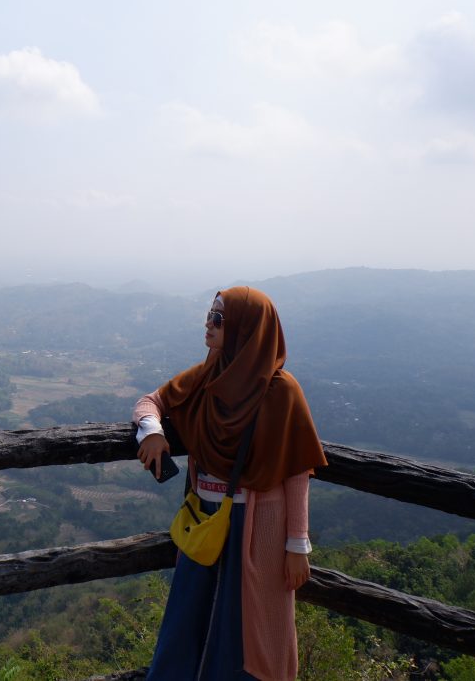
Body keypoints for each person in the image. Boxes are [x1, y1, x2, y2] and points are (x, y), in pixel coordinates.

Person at [133, 286, 327, 681]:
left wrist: (296, 545)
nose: (208, 323)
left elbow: (296, 472)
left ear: (246, 329)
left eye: (219, 319)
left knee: (247, 632)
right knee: (190, 620)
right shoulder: (210, 373)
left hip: (259, 528)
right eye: (210, 313)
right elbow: (151, 401)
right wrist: (151, 431)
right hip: (206, 519)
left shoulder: (281, 391)